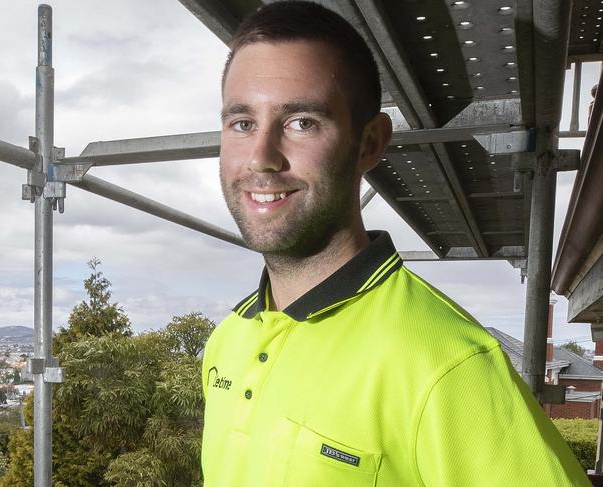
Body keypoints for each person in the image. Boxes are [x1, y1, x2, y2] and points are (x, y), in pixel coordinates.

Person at [201, 2, 590, 485]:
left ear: (370, 144)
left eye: (302, 122)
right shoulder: (226, 342)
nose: (260, 158)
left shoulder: (452, 365)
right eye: (242, 123)